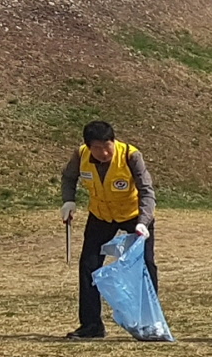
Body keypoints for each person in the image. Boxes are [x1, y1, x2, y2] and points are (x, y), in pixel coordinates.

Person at [60, 120, 158, 340]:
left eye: (107, 146)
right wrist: (68, 201)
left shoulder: (131, 156)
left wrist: (143, 221)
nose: (104, 152)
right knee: (88, 266)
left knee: (146, 265)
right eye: (97, 147)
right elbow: (68, 177)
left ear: (114, 142)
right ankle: (91, 326)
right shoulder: (80, 155)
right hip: (101, 216)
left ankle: (150, 323)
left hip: (134, 215)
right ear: (88, 146)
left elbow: (147, 190)